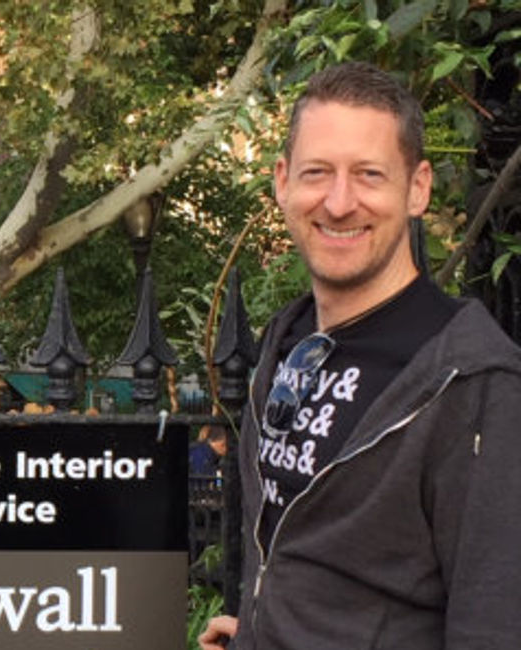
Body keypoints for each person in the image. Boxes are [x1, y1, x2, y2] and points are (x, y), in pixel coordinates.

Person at [199, 62, 521, 649]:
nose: (340, 202)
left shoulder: (474, 382)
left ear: (417, 188)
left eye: (369, 175)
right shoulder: (287, 341)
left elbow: (495, 621)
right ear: (282, 182)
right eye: (318, 172)